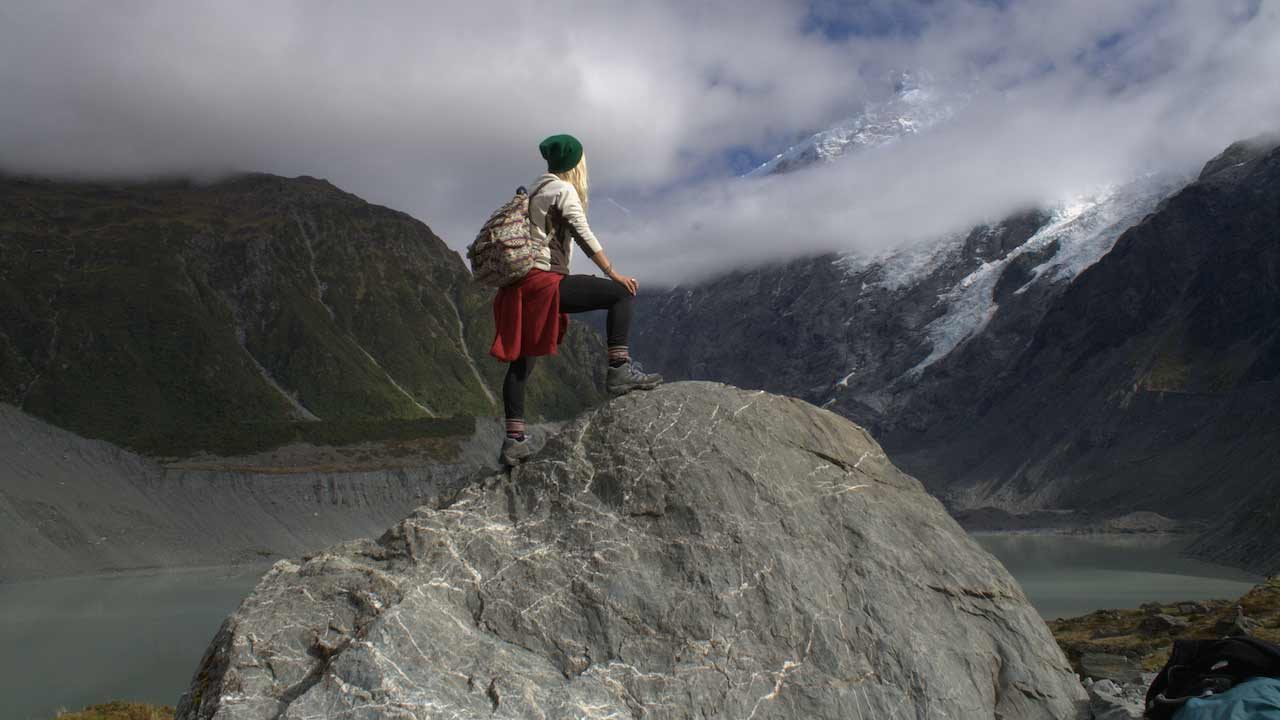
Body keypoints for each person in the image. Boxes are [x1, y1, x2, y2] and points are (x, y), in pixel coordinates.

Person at [489, 133, 663, 466]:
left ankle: (513, 441)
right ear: (575, 164)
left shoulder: (536, 189)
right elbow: (584, 234)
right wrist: (613, 273)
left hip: (518, 287)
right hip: (544, 281)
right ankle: (619, 370)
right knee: (619, 296)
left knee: (522, 364)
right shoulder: (562, 190)